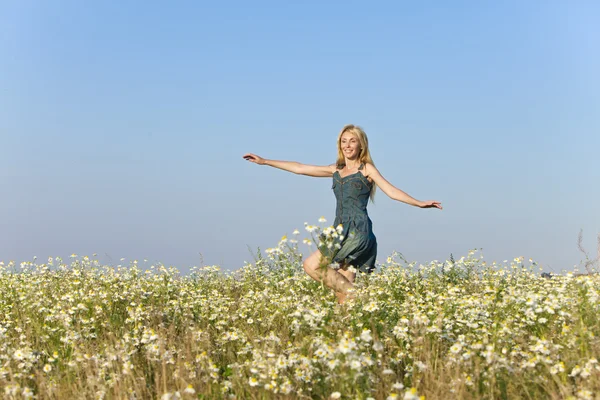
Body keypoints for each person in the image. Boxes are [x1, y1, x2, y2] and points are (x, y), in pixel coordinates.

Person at [243, 124, 442, 303]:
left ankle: (362, 298)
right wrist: (265, 161)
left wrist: (419, 203)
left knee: (312, 265)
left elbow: (391, 191)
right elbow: (300, 168)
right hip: (339, 229)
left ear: (361, 145)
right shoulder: (336, 170)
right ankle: (350, 332)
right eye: (344, 141)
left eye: (352, 141)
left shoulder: (367, 169)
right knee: (343, 295)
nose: (348, 145)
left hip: (356, 230)